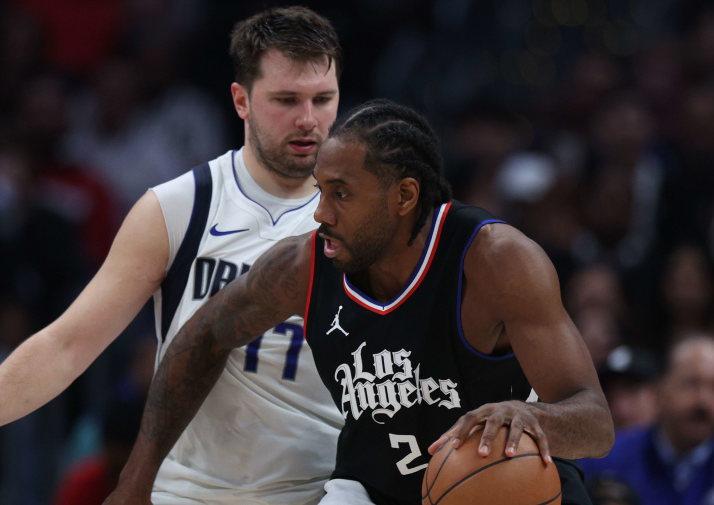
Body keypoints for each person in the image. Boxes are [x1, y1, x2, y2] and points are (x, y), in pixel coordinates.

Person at [0, 6, 345, 505]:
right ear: (241, 100)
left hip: (320, 491)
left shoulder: (364, 216)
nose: (308, 120)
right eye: (287, 100)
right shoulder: (180, 206)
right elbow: (67, 345)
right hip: (190, 492)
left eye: (323, 99)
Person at [108, 100, 614, 505]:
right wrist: (135, 484)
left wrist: (534, 418)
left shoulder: (496, 260)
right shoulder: (305, 266)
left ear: (404, 196)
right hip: (375, 490)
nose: (321, 213)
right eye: (320, 191)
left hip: (501, 483)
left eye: (342, 194)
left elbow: (595, 423)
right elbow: (201, 335)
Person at [580, 335, 714, 505]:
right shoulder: (604, 460)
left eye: (713, 387)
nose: (703, 400)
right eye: (690, 384)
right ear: (660, 392)